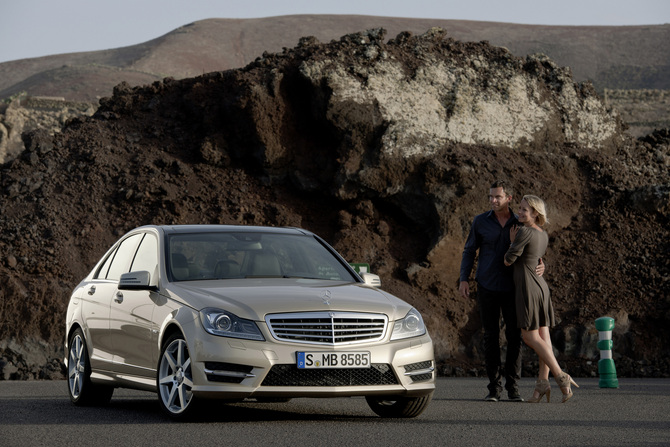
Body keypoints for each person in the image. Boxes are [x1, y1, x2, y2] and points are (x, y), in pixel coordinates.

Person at [459, 180, 544, 402]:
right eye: (490, 196)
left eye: (497, 197)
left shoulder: (521, 221)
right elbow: (469, 251)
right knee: (490, 336)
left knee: (515, 337)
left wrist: (543, 264)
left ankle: (513, 388)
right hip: (487, 285)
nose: (493, 200)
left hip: (514, 287)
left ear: (509, 198)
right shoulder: (480, 222)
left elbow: (534, 247)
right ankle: (494, 389)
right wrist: (463, 279)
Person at [504, 195, 578, 403]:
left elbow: (508, 260)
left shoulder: (524, 232)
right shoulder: (542, 234)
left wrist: (512, 242)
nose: (520, 212)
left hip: (528, 288)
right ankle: (541, 385)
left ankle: (561, 376)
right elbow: (536, 258)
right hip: (541, 287)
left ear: (535, 213)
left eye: (524, 209)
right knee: (544, 339)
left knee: (529, 338)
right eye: (519, 208)